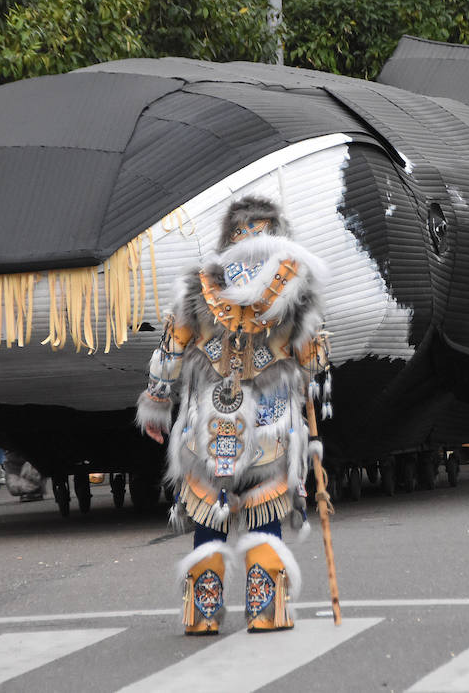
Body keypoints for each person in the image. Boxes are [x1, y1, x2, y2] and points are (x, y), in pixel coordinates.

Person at [135, 195, 329, 635]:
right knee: (265, 514)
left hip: (207, 424)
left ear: (229, 237)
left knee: (209, 517)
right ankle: (267, 612)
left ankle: (201, 616)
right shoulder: (294, 287)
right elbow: (314, 362)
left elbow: (170, 349)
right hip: (269, 424)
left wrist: (157, 402)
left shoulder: (199, 287)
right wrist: (315, 350)